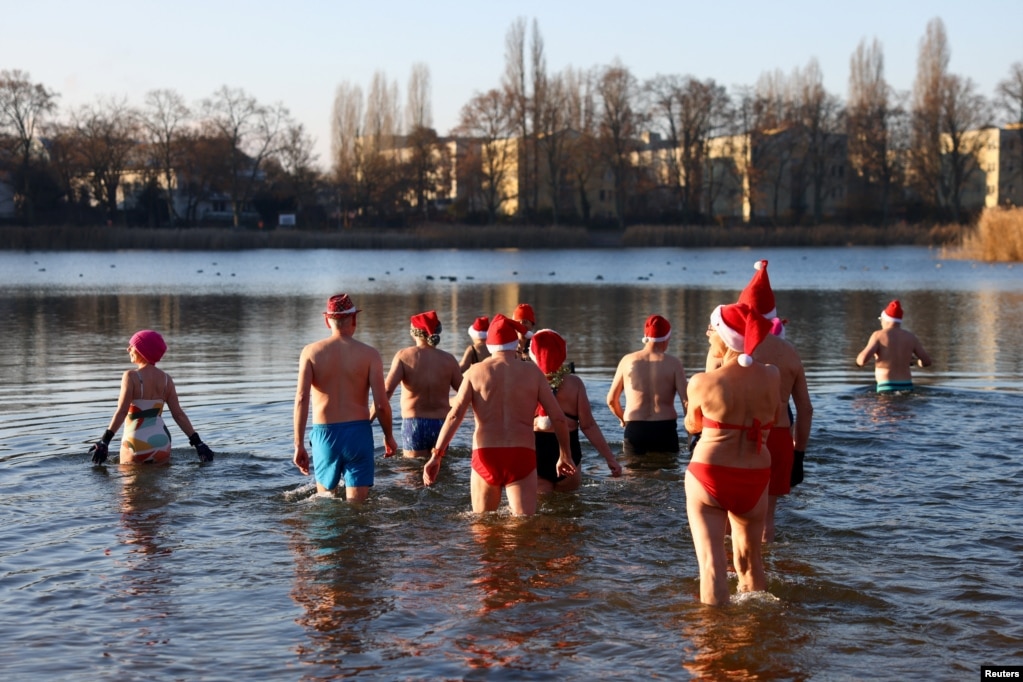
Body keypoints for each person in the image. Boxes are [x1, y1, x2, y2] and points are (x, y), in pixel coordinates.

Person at [423, 314, 575, 516]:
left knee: (483, 526)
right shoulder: (533, 373)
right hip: (522, 454)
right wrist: (565, 454)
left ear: (489, 345)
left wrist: (436, 456)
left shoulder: (475, 372)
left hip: (486, 455)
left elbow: (454, 416)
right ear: (515, 344)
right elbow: (558, 418)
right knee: (523, 528)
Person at [684, 302, 780, 606]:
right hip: (755, 474)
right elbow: (773, 418)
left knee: (712, 566)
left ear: (724, 337)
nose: (707, 333)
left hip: (711, 473)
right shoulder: (772, 376)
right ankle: (755, 629)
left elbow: (692, 426)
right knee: (751, 563)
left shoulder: (702, 381)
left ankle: (714, 642)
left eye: (712, 329)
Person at [726, 259, 813, 542]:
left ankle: (731, 573)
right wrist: (798, 454)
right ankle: (766, 575)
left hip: (739, 436)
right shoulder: (790, 353)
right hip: (777, 436)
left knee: (732, 514)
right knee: (767, 518)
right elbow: (805, 410)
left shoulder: (732, 351)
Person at [293, 293, 397, 501]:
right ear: (354, 320)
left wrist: (299, 445)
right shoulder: (370, 354)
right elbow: (381, 405)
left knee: (325, 503)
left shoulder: (311, 353)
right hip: (358, 434)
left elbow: (302, 399)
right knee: (358, 508)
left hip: (325, 435)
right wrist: (388, 436)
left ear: (326, 320)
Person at [88, 329, 214, 465]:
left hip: (135, 442)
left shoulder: (130, 376)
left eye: (132, 346)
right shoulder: (167, 380)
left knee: (129, 485)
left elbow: (122, 411)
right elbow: (178, 415)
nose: (128, 349)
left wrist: (105, 441)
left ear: (142, 351)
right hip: (160, 442)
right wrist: (199, 443)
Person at [529, 329, 622, 493]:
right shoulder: (575, 384)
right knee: (569, 512)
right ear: (562, 353)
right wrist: (610, 459)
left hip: (536, 454)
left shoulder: (526, 382)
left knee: (541, 513)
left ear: (533, 354)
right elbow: (589, 426)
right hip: (570, 455)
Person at [383, 310, 463, 457]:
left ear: (413, 333)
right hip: (442, 425)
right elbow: (465, 393)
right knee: (442, 472)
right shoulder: (449, 360)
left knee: (412, 473)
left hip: (414, 425)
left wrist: (368, 420)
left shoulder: (404, 356)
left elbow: (386, 391)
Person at [606, 314, 688, 457]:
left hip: (635, 429)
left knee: (633, 476)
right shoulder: (674, 363)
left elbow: (612, 400)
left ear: (645, 336)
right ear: (667, 338)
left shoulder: (627, 361)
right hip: (665, 429)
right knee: (668, 474)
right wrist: (691, 435)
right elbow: (686, 402)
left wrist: (623, 419)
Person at [856, 299, 933, 393]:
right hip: (907, 387)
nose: (881, 322)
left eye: (881, 319)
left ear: (885, 320)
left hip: (886, 387)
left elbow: (862, 360)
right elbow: (927, 362)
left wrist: (858, 361)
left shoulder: (878, 335)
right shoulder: (910, 337)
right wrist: (916, 362)